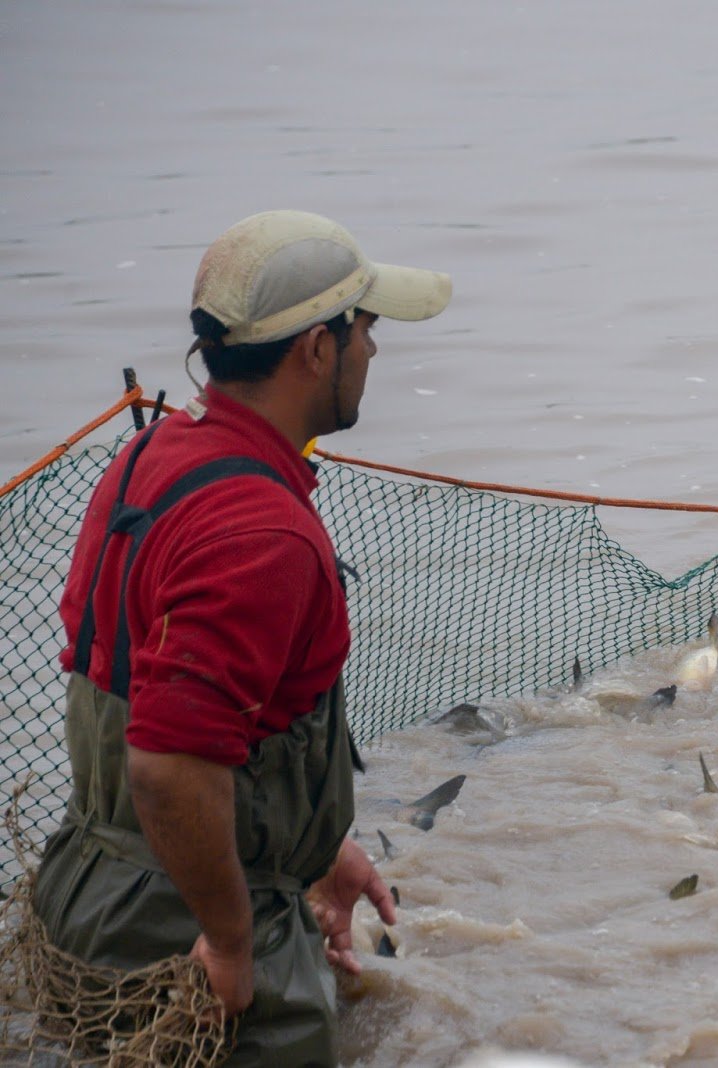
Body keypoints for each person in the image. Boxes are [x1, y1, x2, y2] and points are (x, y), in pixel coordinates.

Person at [32, 209, 451, 1064]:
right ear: (315, 350)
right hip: (179, 920)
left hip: (90, 885)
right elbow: (170, 765)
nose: (374, 351)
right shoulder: (263, 536)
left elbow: (189, 712)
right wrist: (230, 940)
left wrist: (317, 849)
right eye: (366, 330)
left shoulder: (152, 457)